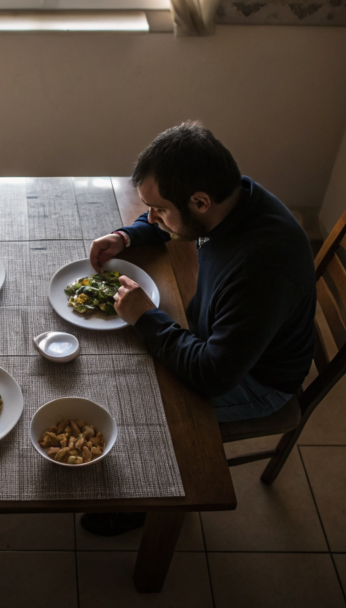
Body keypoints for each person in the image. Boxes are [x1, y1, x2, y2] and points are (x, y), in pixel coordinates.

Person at [82, 121, 317, 536]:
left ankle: (152, 503)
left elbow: (213, 374)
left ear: (200, 201)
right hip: (217, 336)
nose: (153, 217)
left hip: (256, 380)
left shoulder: (262, 268)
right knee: (113, 373)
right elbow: (178, 224)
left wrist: (145, 315)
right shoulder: (235, 198)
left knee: (135, 411)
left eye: (159, 209)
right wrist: (127, 236)